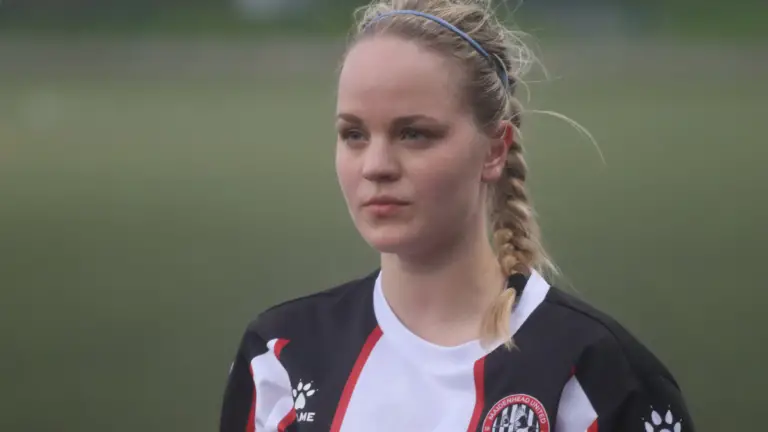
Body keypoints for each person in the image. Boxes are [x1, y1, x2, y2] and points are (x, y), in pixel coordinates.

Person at [219, 1, 696, 431]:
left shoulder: (598, 375)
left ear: (494, 149)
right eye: (354, 134)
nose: (376, 166)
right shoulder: (282, 357)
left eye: (414, 134)